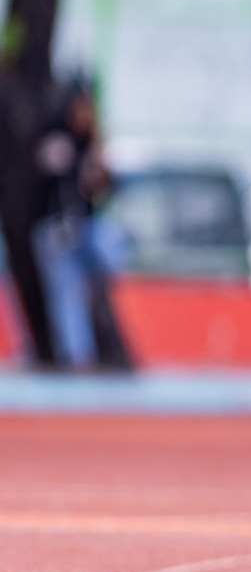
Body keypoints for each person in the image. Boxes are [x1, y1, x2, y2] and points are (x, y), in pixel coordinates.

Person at [31, 79, 132, 371]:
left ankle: (92, 349)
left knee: (111, 245)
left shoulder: (92, 144)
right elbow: (50, 181)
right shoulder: (58, 140)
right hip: (56, 230)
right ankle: (78, 357)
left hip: (83, 228)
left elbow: (100, 191)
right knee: (65, 293)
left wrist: (99, 170)